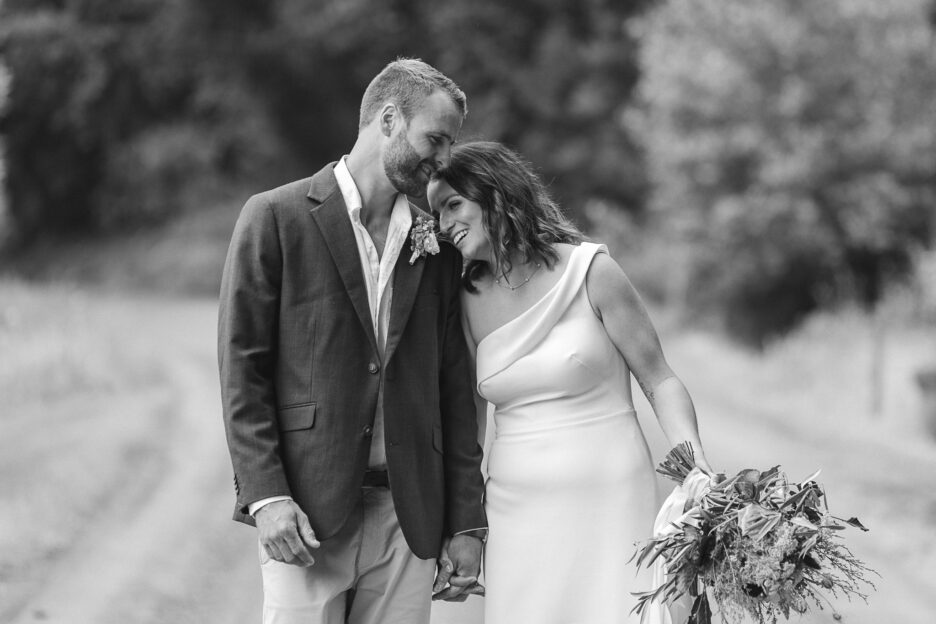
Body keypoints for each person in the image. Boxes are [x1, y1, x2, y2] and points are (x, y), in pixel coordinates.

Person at [218, 59, 487, 624]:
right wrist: (267, 497)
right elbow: (243, 369)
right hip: (308, 513)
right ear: (389, 119)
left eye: (450, 146)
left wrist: (466, 522)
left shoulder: (433, 243)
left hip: (408, 518)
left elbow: (454, 389)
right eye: (434, 139)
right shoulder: (274, 217)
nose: (443, 161)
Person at [427, 141, 713, 624]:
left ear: (497, 196)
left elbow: (659, 379)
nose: (442, 223)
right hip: (516, 509)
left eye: (453, 204)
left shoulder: (591, 272)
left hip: (611, 496)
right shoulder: (462, 301)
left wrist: (694, 460)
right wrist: (465, 522)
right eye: (435, 212)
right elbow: (469, 426)